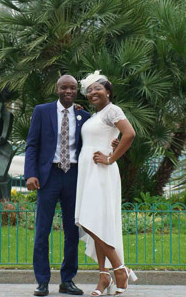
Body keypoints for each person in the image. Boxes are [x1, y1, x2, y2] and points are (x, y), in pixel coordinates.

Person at [24, 75, 90, 296]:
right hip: (48, 176)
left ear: (77, 91)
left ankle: (67, 280)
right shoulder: (42, 111)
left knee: (72, 232)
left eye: (72, 88)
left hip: (74, 176)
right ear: (57, 89)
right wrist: (30, 174)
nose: (68, 91)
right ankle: (42, 281)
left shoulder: (84, 116)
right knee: (42, 231)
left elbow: (91, 142)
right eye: (64, 87)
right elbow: (32, 144)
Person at [75, 71, 137, 296]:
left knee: (91, 221)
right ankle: (103, 275)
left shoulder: (113, 110)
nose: (93, 92)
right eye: (89, 90)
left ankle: (119, 268)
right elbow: (102, 135)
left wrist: (111, 158)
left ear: (108, 92)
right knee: (93, 222)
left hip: (101, 171)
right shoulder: (96, 115)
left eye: (98, 88)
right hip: (88, 170)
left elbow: (129, 133)